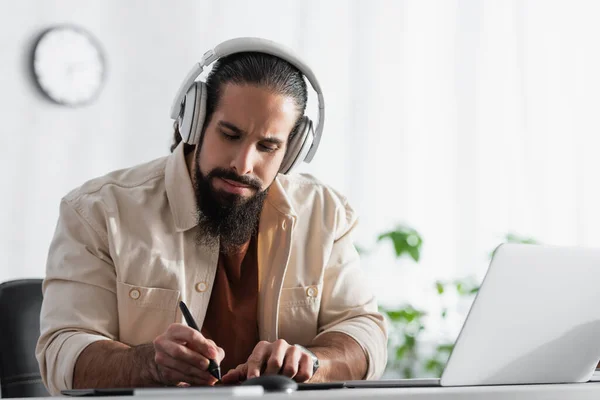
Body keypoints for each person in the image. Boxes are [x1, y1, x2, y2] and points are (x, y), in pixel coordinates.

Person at [36, 37, 387, 395]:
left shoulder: (324, 213)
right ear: (195, 120)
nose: (243, 164)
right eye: (230, 134)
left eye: (268, 146)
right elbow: (61, 355)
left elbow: (365, 332)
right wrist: (149, 364)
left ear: (292, 151)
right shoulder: (98, 211)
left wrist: (312, 363)